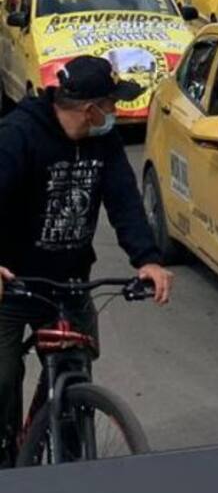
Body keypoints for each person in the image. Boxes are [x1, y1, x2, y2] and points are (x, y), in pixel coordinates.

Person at [0, 56, 173, 467]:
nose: (116, 112)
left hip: (70, 282)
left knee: (75, 370)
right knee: (3, 377)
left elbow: (124, 198)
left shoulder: (103, 140)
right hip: (12, 284)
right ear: (90, 109)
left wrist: (147, 259)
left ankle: (73, 466)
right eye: (112, 104)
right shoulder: (18, 136)